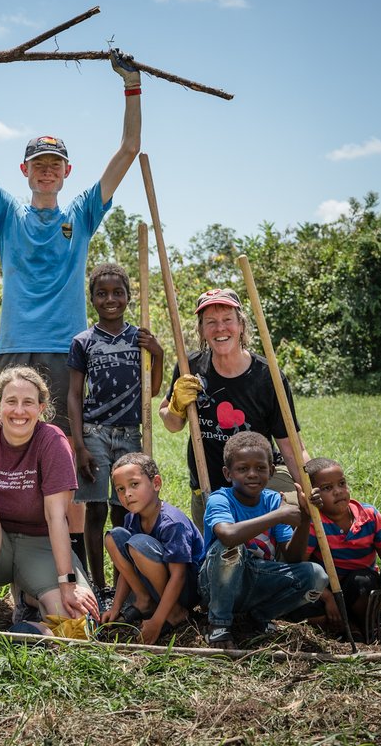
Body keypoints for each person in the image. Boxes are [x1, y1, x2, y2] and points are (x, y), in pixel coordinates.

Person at [0, 47, 142, 439]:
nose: (47, 171)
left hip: (67, 349)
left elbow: (129, 150)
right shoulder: (6, 213)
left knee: (64, 447)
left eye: (55, 164)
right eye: (39, 164)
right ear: (25, 170)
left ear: (67, 171)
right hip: (14, 346)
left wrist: (132, 85)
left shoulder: (81, 214)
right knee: (1, 444)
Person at [0, 366, 100, 622]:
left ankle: (27, 598)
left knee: (76, 622)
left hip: (41, 544)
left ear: (41, 408)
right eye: (11, 401)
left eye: (28, 402)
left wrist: (68, 583)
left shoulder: (52, 442)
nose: (19, 411)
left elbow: (56, 518)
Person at [160, 288, 311, 530]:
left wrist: (313, 487)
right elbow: (172, 423)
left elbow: (291, 447)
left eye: (227, 320)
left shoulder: (268, 376)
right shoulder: (190, 367)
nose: (220, 328)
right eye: (211, 322)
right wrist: (176, 406)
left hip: (261, 482)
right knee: (221, 549)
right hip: (209, 485)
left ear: (241, 325)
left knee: (286, 531)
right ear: (201, 329)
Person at [67, 263, 164, 596]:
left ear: (128, 296)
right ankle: (99, 585)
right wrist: (79, 446)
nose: (110, 299)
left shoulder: (139, 339)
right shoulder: (83, 342)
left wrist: (158, 354)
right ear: (92, 299)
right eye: (102, 293)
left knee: (124, 509)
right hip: (93, 433)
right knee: (95, 509)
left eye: (117, 292)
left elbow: (151, 392)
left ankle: (127, 582)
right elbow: (74, 395)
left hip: (129, 434)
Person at [199, 431, 327, 650]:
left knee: (316, 576)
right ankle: (219, 624)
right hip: (216, 585)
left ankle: (259, 616)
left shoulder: (274, 501)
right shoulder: (220, 499)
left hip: (258, 579)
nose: (252, 474)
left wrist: (305, 518)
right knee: (229, 549)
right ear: (228, 473)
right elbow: (227, 535)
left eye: (260, 468)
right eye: (242, 469)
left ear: (272, 471)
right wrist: (278, 515)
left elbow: (293, 557)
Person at [292, 457, 381, 635]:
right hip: (327, 590)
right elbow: (301, 567)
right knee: (301, 607)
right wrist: (328, 598)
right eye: (327, 488)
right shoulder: (315, 523)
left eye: (342, 483)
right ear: (312, 495)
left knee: (362, 581)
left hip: (360, 589)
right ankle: (343, 629)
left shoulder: (369, 516)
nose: (338, 491)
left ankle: (368, 625)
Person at [101, 453, 204, 646]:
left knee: (138, 544)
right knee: (113, 537)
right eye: (120, 489)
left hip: (186, 589)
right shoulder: (132, 518)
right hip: (158, 585)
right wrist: (115, 607)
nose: (127, 494)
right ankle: (144, 601)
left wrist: (157, 622)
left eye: (134, 484)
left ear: (156, 483)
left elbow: (179, 575)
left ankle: (174, 612)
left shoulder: (172, 523)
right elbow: (126, 568)